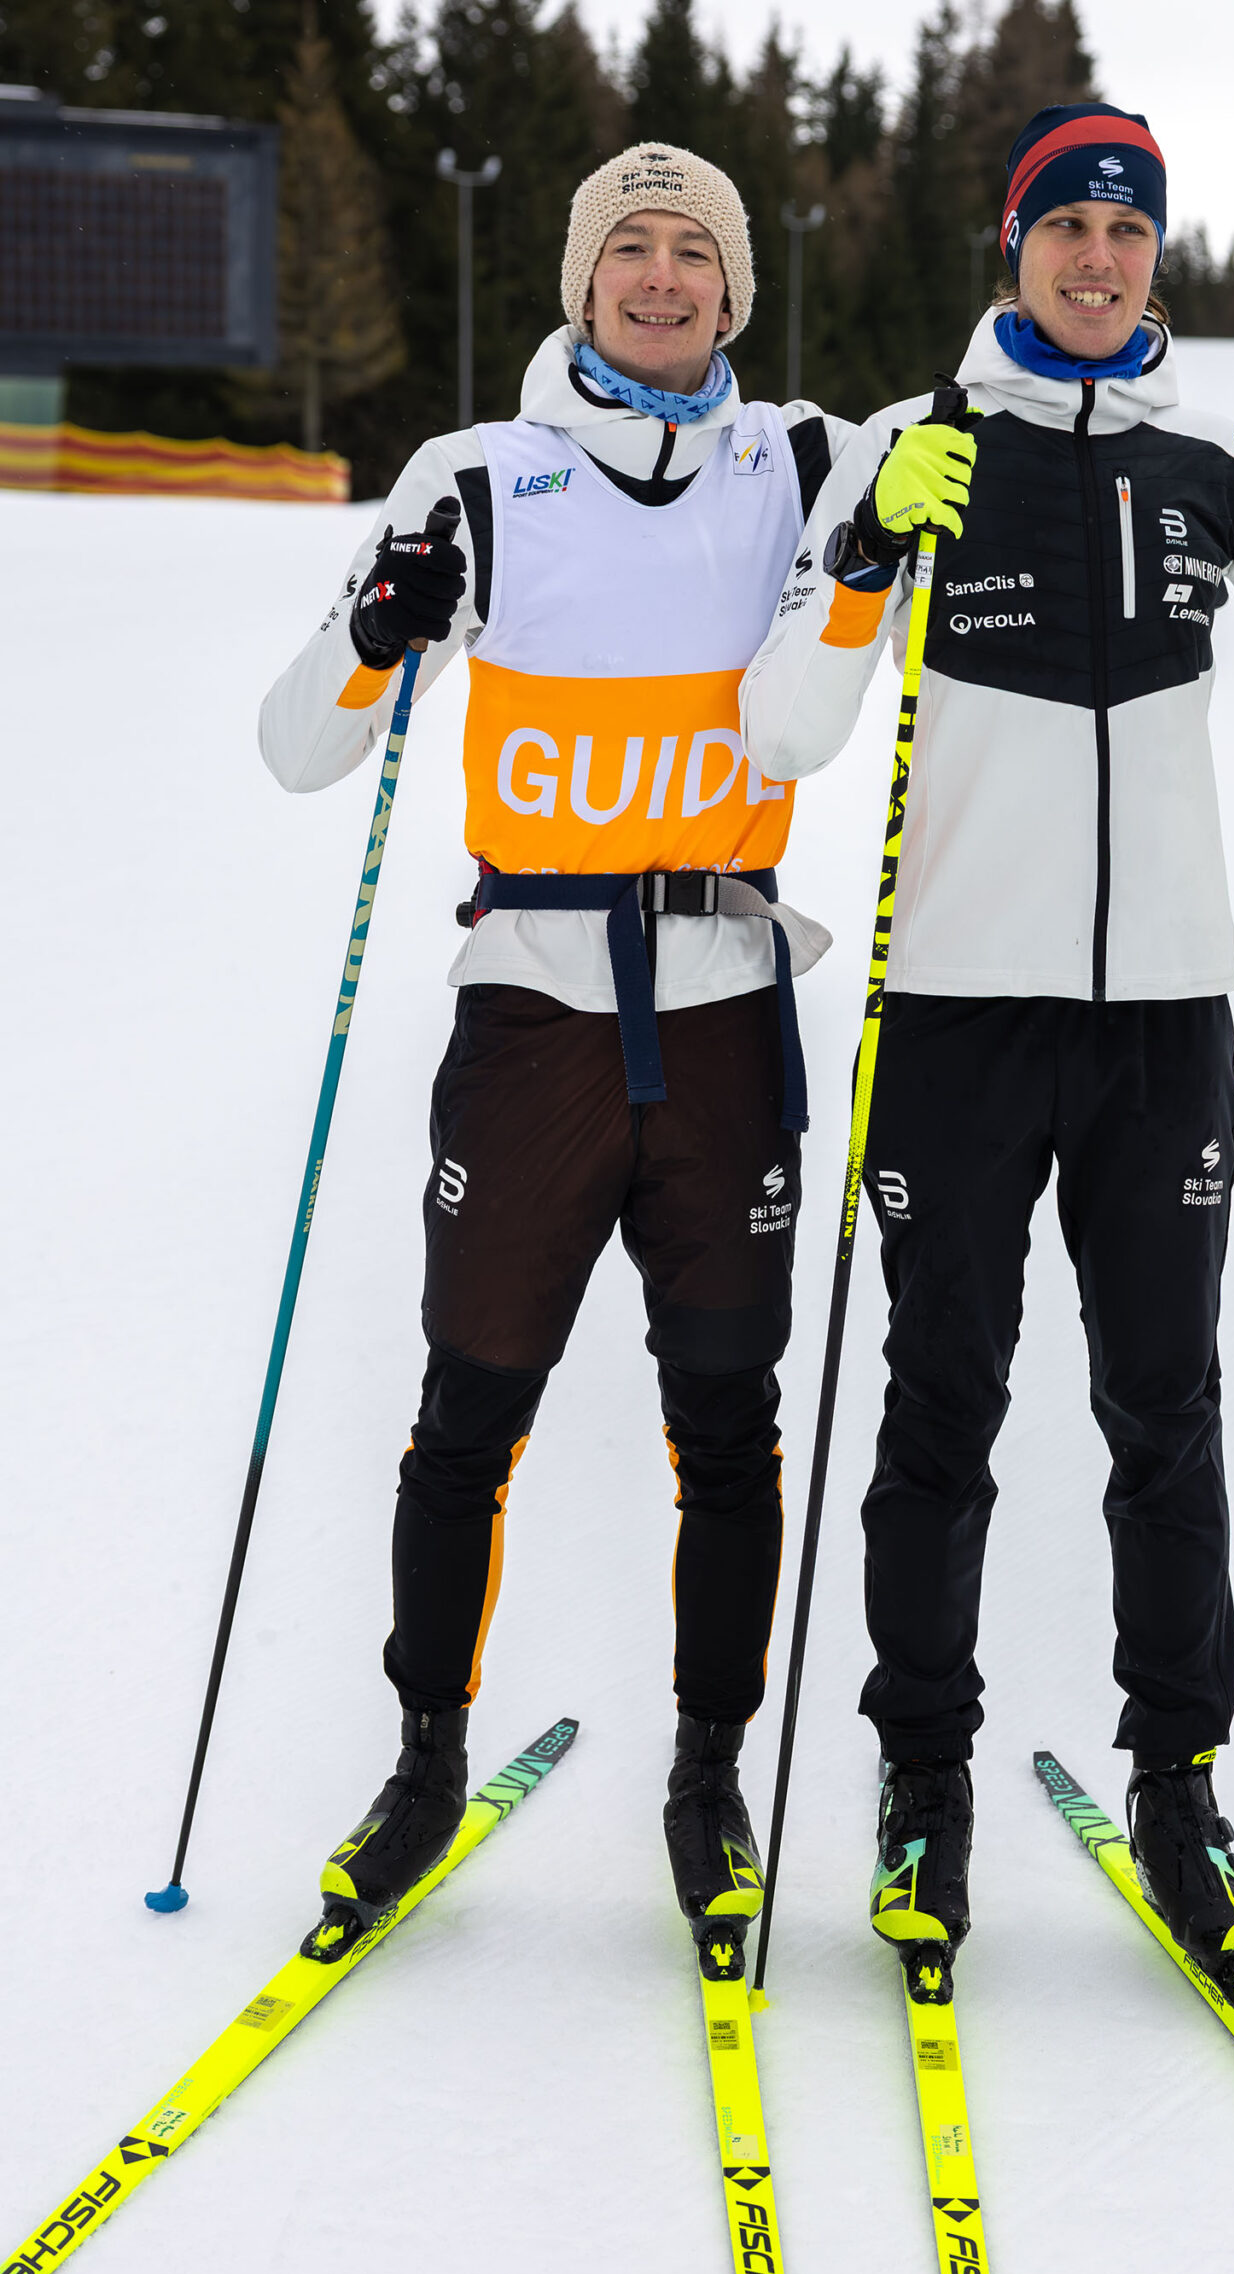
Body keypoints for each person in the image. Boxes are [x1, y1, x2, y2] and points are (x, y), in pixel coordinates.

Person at [741, 102, 1234, 2011]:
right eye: (1069, 224)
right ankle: (922, 1785)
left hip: (1164, 1029)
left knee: (1168, 1412)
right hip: (958, 1016)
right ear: (1015, 243)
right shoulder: (913, 446)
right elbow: (784, 730)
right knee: (940, 1412)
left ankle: (1180, 1785)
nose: (1101, 258)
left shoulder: (1217, 470)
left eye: (1131, 231)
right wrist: (868, 552)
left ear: (1158, 259)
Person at [260, 143, 859, 1976]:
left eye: (695, 253)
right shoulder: (475, 479)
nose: (662, 280)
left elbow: (979, 447)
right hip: (532, 1016)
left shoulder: (805, 465)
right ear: (584, 281)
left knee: (729, 1424)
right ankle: (424, 1759)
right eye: (631, 250)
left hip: (724, 1005)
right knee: (471, 1412)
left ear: (736, 290)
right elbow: (298, 747)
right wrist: (376, 633)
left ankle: (709, 1771)